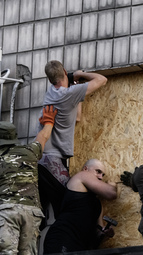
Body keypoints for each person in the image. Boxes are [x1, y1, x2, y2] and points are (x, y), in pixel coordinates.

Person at [0, 105, 58, 254]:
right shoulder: (31, 151)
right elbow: (43, 136)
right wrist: (49, 122)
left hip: (7, 210)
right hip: (32, 212)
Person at [38, 60, 108, 220]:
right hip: (52, 161)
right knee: (74, 199)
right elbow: (102, 80)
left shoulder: (52, 92)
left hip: (44, 160)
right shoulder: (67, 93)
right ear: (64, 70)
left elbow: (77, 117)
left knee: (61, 210)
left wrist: (77, 92)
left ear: (50, 80)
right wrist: (80, 74)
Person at [43, 159, 117, 254]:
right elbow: (111, 193)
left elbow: (98, 232)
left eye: (103, 175)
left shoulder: (97, 204)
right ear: (85, 169)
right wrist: (113, 185)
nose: (100, 177)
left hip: (80, 247)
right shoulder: (82, 176)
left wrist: (105, 233)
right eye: (98, 171)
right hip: (62, 238)